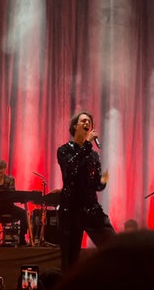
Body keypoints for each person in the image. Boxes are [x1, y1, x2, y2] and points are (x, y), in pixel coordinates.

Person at [57, 111, 116, 271]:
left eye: (89, 121)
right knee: (70, 261)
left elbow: (96, 185)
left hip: (91, 208)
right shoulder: (64, 150)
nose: (87, 123)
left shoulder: (94, 156)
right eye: (83, 121)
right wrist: (87, 145)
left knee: (114, 247)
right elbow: (70, 172)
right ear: (75, 126)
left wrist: (102, 181)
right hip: (71, 209)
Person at [0, 160, 28, 246]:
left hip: (8, 206)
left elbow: (12, 193)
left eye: (2, 169)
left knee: (23, 213)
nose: (0, 171)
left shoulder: (10, 179)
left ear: (5, 169)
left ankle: (22, 238)